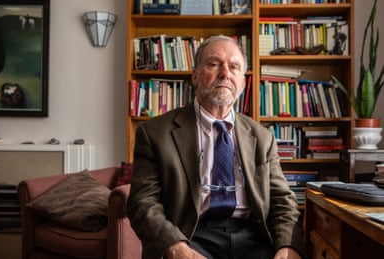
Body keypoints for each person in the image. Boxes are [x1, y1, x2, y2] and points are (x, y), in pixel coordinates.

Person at [127, 35, 305, 259]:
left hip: (252, 236)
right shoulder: (155, 134)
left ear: (242, 82)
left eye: (234, 67)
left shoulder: (262, 138)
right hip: (190, 234)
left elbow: (282, 201)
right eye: (213, 64)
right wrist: (176, 246)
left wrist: (288, 247)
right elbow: (142, 203)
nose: (225, 73)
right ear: (195, 75)